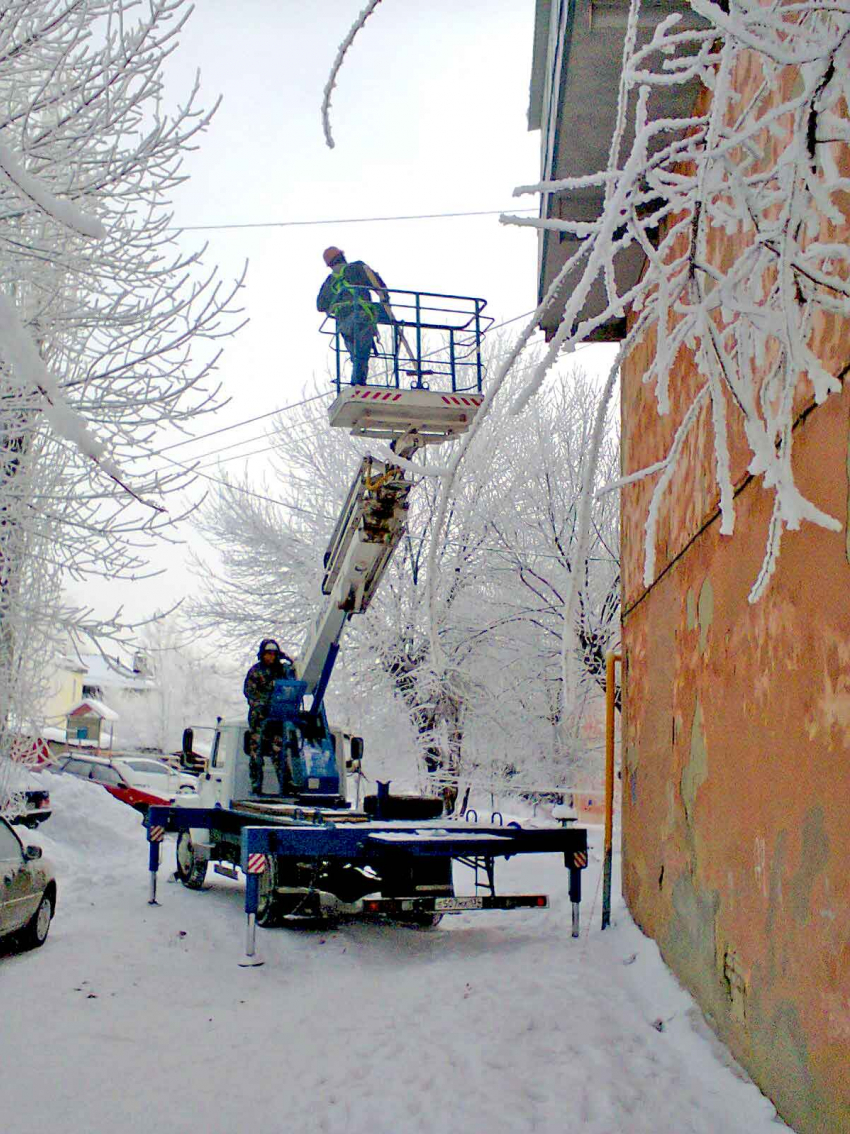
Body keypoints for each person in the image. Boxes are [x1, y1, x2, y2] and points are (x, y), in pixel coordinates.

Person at [317, 246, 389, 385]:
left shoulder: (329, 282)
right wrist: (384, 298)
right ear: (342, 256)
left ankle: (357, 384)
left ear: (330, 264)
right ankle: (358, 384)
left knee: (357, 357)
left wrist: (335, 305)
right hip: (361, 317)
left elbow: (320, 305)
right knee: (361, 357)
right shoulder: (356, 268)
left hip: (343, 325)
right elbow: (378, 284)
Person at [243, 638, 294, 795]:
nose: (271, 657)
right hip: (259, 720)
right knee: (256, 752)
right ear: (262, 655)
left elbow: (292, 678)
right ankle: (256, 785)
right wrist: (263, 705)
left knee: (279, 751)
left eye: (274, 654)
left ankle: (286, 785)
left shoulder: (281, 671)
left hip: (276, 719)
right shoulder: (255, 671)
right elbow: (249, 693)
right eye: (268, 654)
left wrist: (287, 660)